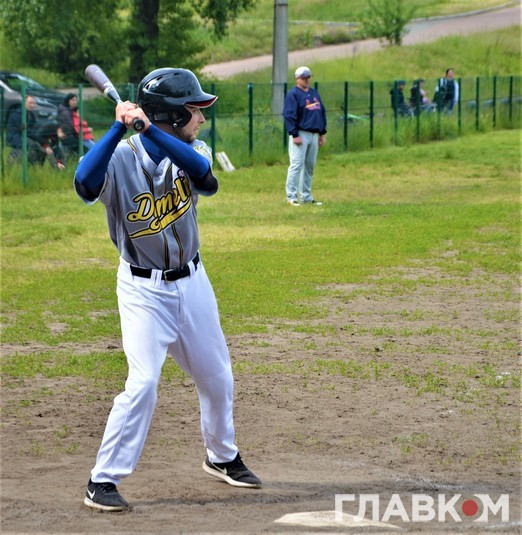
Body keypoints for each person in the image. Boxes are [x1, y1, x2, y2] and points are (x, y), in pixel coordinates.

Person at [74, 67, 262, 512]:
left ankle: (221, 456)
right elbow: (84, 182)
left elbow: (205, 178)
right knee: (142, 384)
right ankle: (102, 480)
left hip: (193, 283)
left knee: (217, 377)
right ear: (173, 115)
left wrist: (147, 129)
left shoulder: (192, 150)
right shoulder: (120, 158)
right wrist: (118, 128)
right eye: (195, 110)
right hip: (143, 292)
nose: (202, 118)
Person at [283, 66, 326, 206]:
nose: (306, 80)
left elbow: (321, 112)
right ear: (297, 79)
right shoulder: (293, 94)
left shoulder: (314, 93)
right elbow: (289, 115)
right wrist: (294, 134)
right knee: (296, 165)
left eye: (308, 77)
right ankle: (291, 197)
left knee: (309, 166)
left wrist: (322, 133)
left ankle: (306, 197)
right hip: (300, 133)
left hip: (314, 134)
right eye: (303, 77)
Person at [6, 94, 65, 169]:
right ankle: (31, 165)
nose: (32, 105)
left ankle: (36, 166)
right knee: (33, 145)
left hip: (23, 135)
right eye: (30, 103)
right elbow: (26, 131)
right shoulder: (18, 114)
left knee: (39, 146)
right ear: (24, 103)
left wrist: (41, 139)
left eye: (34, 103)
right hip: (14, 136)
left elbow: (34, 128)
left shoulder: (31, 113)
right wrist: (41, 140)